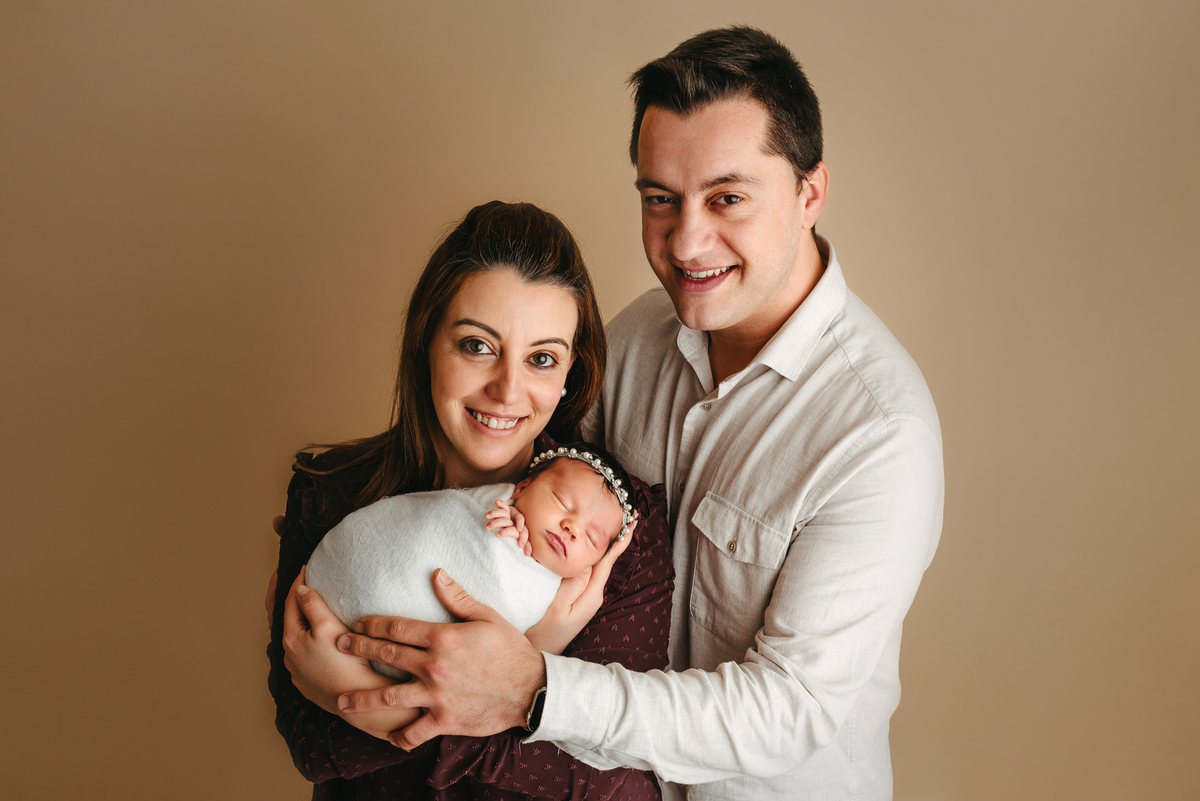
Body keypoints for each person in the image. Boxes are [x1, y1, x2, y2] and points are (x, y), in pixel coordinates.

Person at [331, 26, 945, 801]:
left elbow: (787, 710)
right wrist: (350, 569)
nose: (686, 241)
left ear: (810, 194)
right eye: (660, 199)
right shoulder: (635, 338)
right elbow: (508, 472)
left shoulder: (880, 433)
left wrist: (535, 688)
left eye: (727, 198)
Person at [266, 200, 673, 800]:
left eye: (541, 359)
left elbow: (618, 782)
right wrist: (527, 699)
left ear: (569, 373)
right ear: (426, 342)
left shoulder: (614, 527)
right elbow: (314, 748)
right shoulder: (330, 492)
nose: (507, 390)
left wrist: (377, 704)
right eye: (477, 346)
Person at [306, 443, 639, 685]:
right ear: (523, 488)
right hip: (351, 579)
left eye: (591, 537)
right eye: (562, 502)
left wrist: (544, 643)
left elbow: (505, 660)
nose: (572, 527)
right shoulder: (498, 506)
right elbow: (451, 519)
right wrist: (504, 516)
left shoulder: (561, 600)